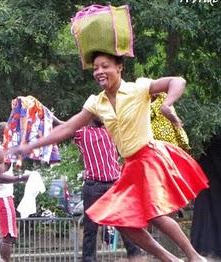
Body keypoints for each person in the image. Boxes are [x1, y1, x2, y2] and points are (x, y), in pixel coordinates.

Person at [11, 52, 209, 262]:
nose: (99, 72)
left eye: (105, 66)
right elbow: (68, 127)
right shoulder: (97, 103)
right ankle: (172, 260)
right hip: (130, 165)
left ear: (119, 67)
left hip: (150, 157)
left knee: (155, 215)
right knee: (124, 222)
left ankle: (194, 257)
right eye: (95, 68)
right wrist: (30, 146)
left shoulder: (138, 88)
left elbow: (177, 81)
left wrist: (166, 104)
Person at [73, 118, 142, 261]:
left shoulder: (110, 130)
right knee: (90, 229)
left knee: (125, 223)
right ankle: (89, 260)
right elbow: (64, 126)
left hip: (114, 184)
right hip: (94, 185)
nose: (103, 114)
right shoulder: (82, 133)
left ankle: (136, 256)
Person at [0, 122, 29, 262]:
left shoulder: (4, 151)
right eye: (11, 133)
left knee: (8, 236)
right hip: (1, 197)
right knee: (9, 237)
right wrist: (22, 178)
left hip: (0, 197)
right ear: (4, 134)